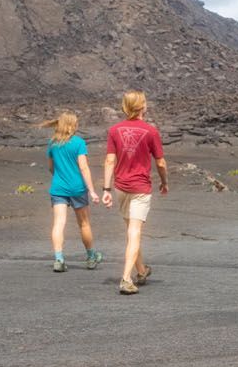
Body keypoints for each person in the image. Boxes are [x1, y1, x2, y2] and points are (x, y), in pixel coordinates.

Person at [102, 91, 167, 295]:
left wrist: (106, 188)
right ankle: (126, 279)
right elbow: (161, 162)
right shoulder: (150, 132)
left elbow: (110, 160)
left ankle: (141, 270)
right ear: (143, 106)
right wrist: (164, 182)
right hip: (140, 188)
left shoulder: (114, 130)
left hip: (121, 187)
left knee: (131, 232)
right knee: (135, 233)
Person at [42, 111, 105, 272]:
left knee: (58, 223)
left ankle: (59, 259)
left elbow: (51, 167)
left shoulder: (52, 143)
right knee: (84, 224)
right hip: (77, 188)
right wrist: (92, 191)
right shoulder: (78, 143)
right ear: (72, 125)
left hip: (58, 188)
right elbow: (83, 168)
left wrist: (59, 177)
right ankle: (91, 257)